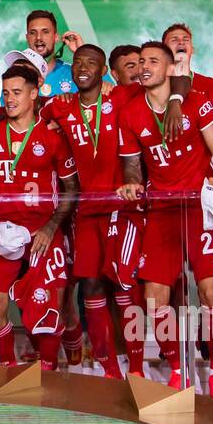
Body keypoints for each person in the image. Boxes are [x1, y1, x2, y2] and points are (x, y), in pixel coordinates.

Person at [117, 42, 213, 396]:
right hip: (162, 212)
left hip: (198, 209)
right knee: (154, 297)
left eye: (153, 61)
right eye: (140, 62)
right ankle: (178, 369)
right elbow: (133, 167)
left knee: (211, 293)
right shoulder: (131, 113)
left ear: (170, 69)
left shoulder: (196, 102)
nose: (144, 67)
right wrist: (132, 186)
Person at [38, 43, 137, 377]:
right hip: (86, 211)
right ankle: (109, 369)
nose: (83, 67)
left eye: (92, 62)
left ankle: (135, 368)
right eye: (78, 61)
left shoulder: (120, 97)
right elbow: (30, 114)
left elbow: (158, 89)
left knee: (123, 288)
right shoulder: (61, 106)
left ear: (103, 69)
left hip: (121, 209)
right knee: (91, 287)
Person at [0, 64, 79, 368]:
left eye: (17, 93)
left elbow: (71, 187)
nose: (9, 99)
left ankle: (48, 367)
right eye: (6, 93)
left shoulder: (53, 135)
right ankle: (7, 367)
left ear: (34, 94)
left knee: (49, 306)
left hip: (42, 231)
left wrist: (50, 227)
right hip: (2, 229)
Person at [19, 9, 78, 97]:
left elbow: (103, 96)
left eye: (45, 32)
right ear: (27, 38)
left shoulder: (74, 74)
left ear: (56, 37)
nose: (38, 37)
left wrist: (80, 51)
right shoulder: (16, 75)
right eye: (33, 33)